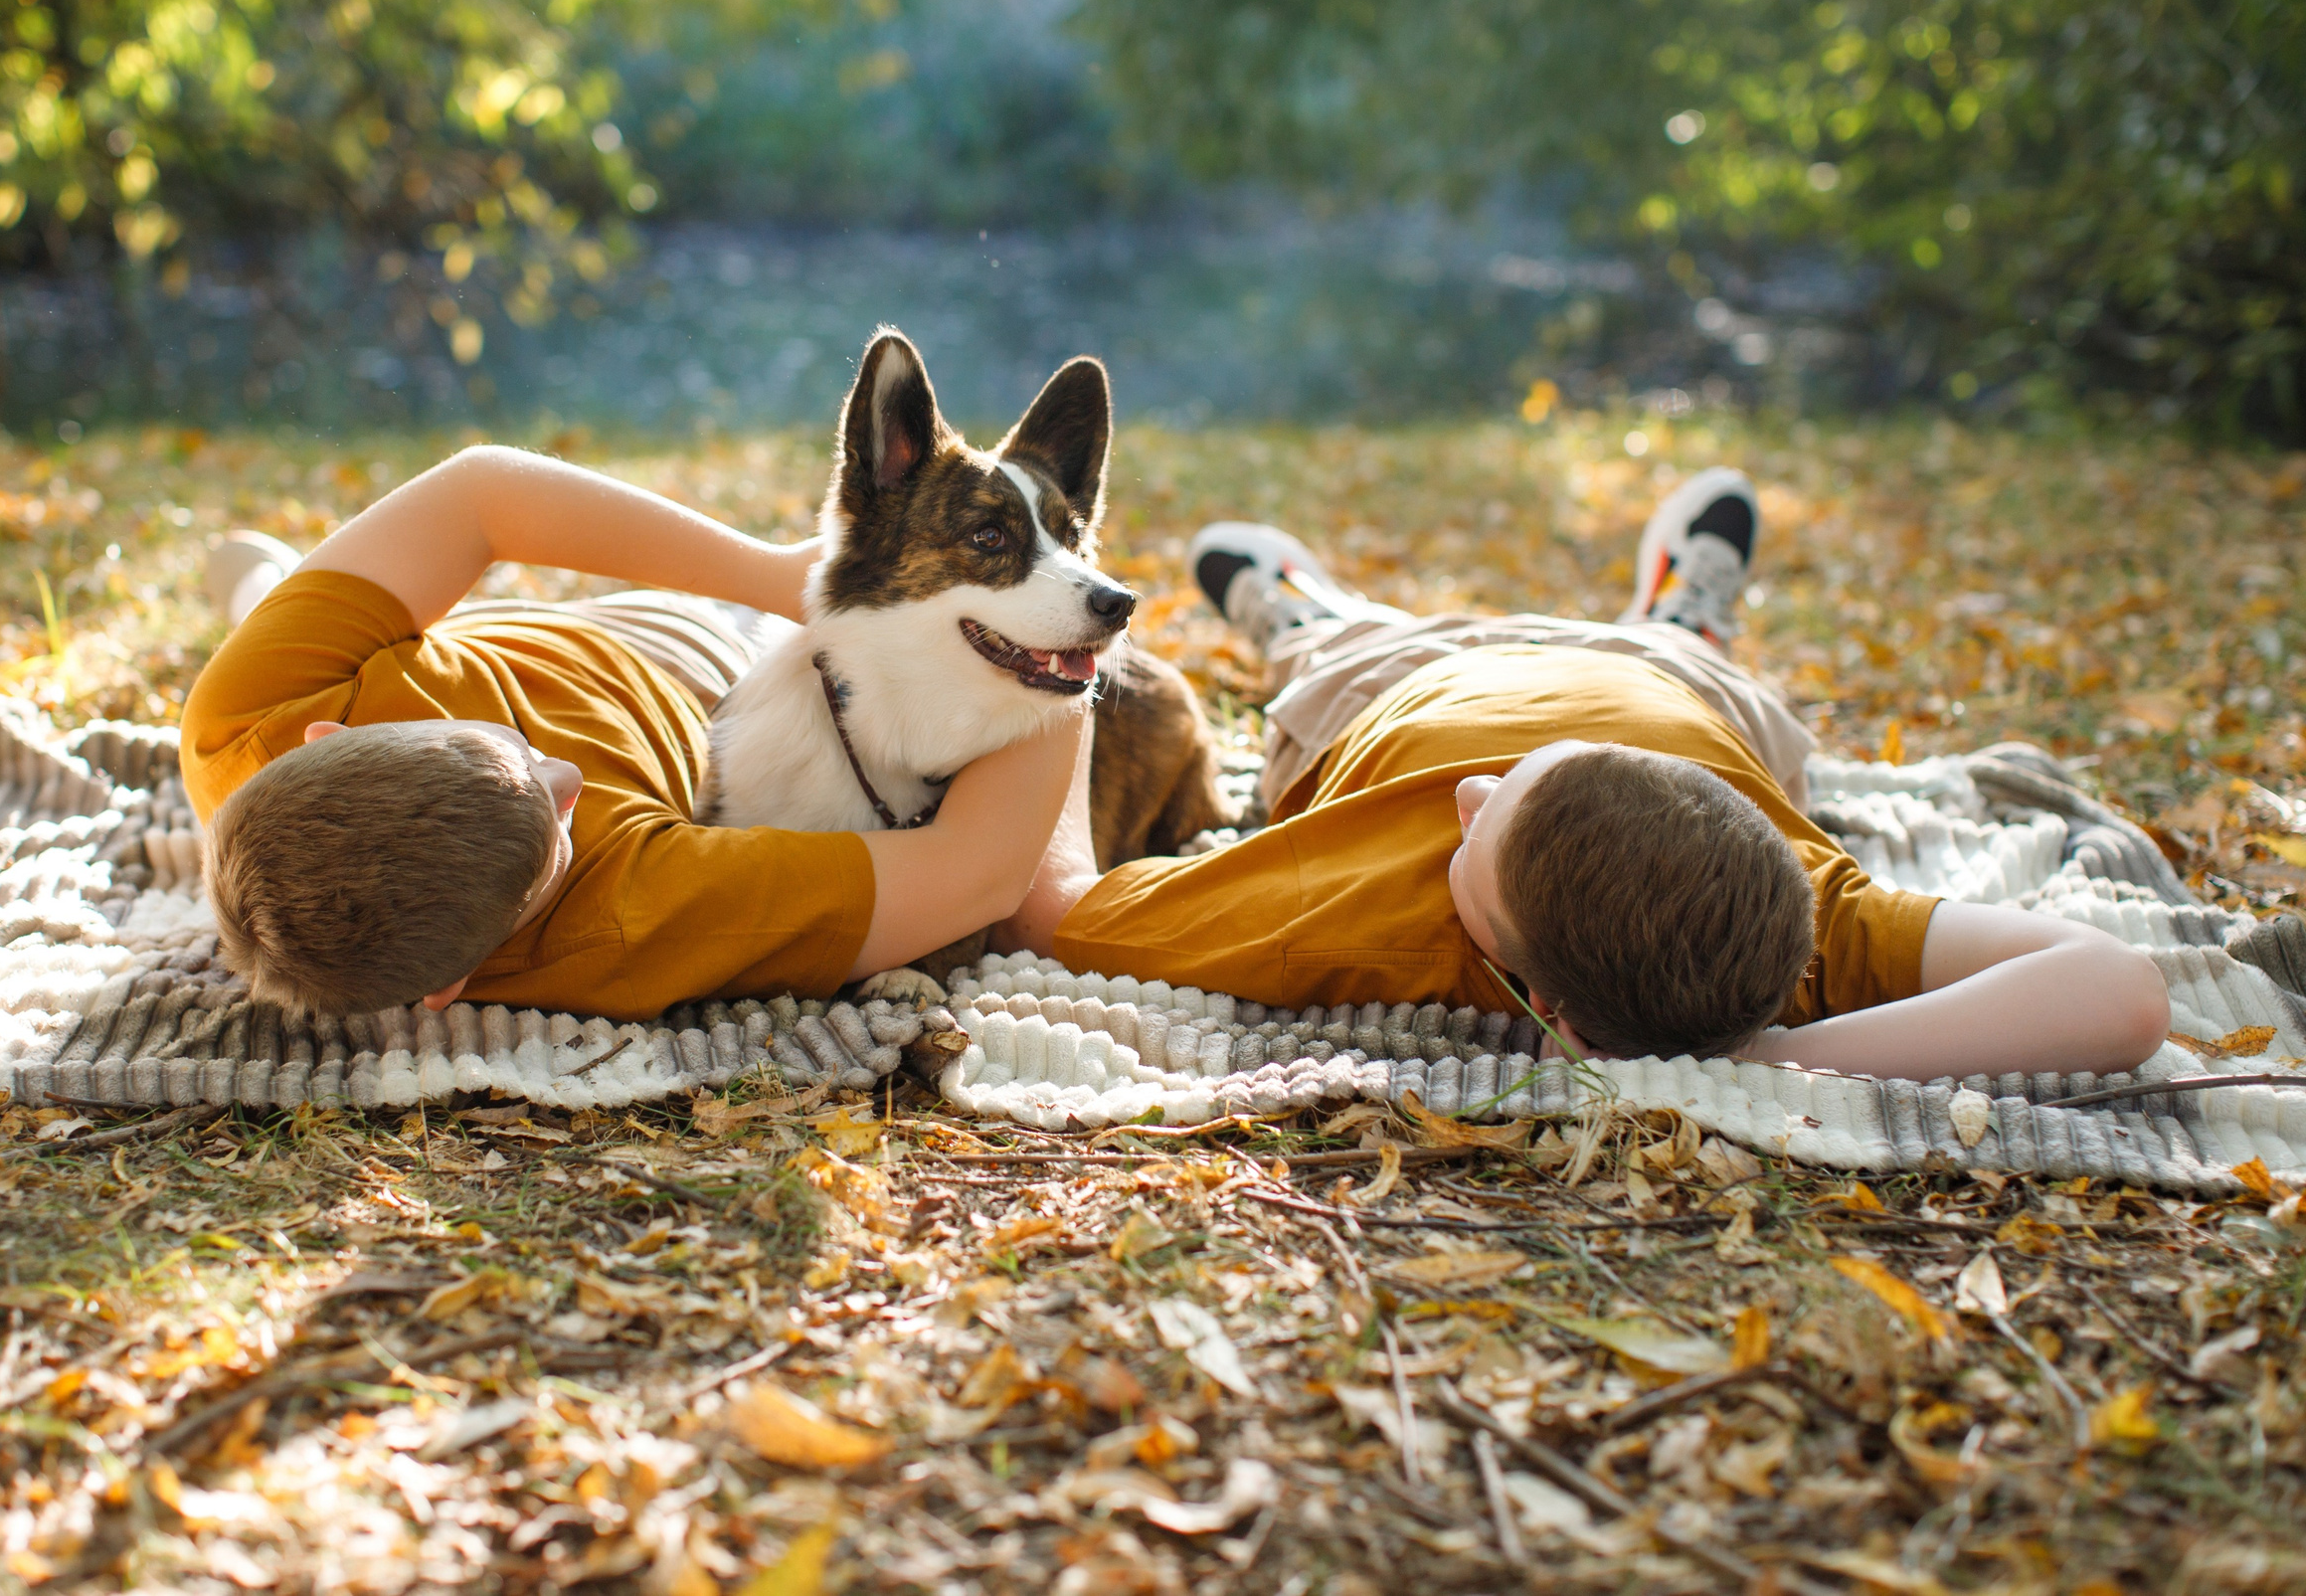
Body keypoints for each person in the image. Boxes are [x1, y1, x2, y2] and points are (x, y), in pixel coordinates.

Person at [1005, 469, 2170, 1082]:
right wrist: (1782, 1055)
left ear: (1547, 1010)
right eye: (1511, 784)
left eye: (1478, 842)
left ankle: (1295, 605)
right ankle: (1683, 614)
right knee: (1694, 667)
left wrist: (1056, 692)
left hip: (1393, 686)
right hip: (1657, 684)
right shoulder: (1821, 914)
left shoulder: (1367, 907)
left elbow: (1059, 909)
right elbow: (2120, 990)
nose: (1470, 795)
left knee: (1327, 652)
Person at [181, 445, 1086, 1020]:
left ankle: (262, 582)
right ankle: (265, 582)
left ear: (324, 737)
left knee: (268, 606)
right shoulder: (624, 921)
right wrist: (1058, 630)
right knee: (1044, 914)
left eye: (508, 751)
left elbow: (485, 494)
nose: (568, 772)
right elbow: (978, 872)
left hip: (653, 616)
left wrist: (770, 573)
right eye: (557, 827)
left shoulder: (248, 711)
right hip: (726, 670)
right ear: (450, 990)